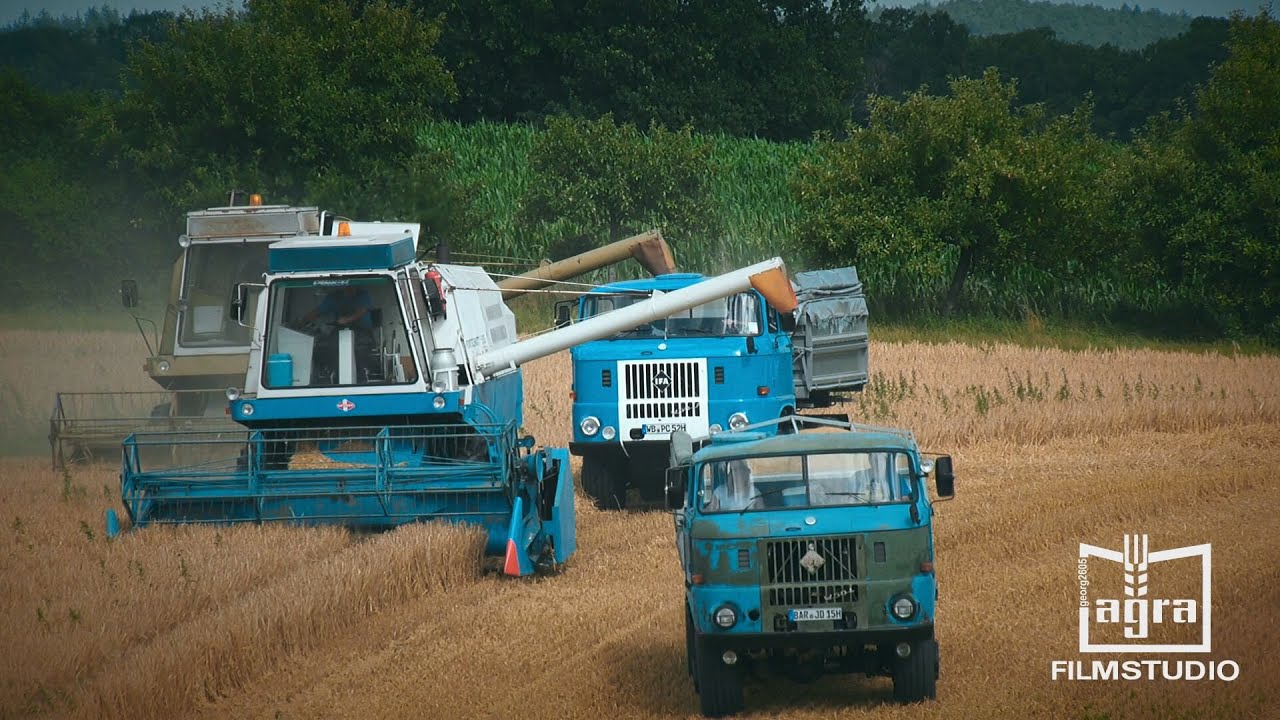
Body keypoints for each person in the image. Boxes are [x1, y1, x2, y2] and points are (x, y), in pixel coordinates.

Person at [302, 285, 376, 383]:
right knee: (329, 347)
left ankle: (361, 379)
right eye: (346, 288)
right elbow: (318, 311)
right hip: (339, 331)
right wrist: (302, 322)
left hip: (363, 332)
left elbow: (363, 310)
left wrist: (347, 319)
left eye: (351, 287)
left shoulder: (362, 294)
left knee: (359, 351)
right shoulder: (333, 297)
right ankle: (335, 377)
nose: (349, 290)